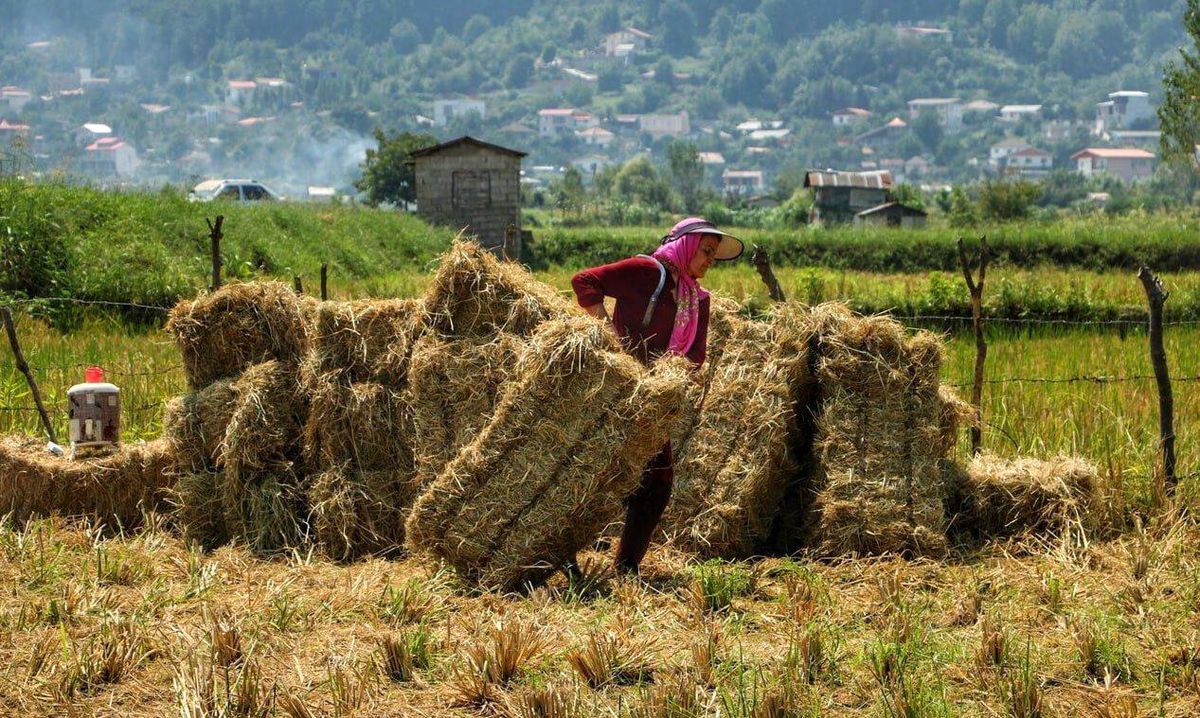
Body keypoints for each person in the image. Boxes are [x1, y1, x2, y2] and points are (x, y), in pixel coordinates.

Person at [570, 217, 743, 574]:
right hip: (615, 390)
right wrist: (609, 339)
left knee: (658, 480)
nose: (710, 259)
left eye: (714, 254)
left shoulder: (698, 300)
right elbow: (585, 280)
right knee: (588, 475)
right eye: (706, 251)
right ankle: (560, 555)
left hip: (652, 402)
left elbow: (696, 355)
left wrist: (673, 381)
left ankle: (627, 566)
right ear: (686, 245)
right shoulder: (648, 272)